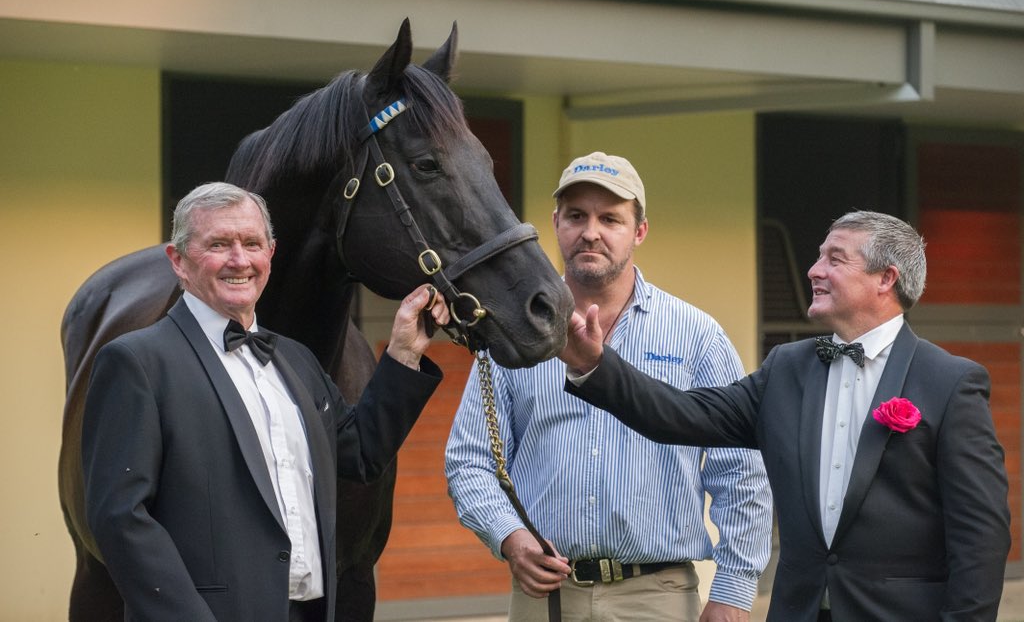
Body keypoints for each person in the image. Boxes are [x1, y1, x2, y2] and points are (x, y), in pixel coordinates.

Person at [560, 209, 1012, 621]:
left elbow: (980, 537)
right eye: (819, 258)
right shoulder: (786, 368)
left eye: (835, 259)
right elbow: (680, 414)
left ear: (885, 279)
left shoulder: (950, 382)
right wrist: (594, 365)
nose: (814, 270)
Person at [81, 182, 450, 622]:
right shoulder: (135, 361)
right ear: (178, 261)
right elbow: (121, 518)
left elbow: (358, 454)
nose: (240, 260)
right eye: (218, 244)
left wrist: (404, 353)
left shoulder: (296, 360)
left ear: (270, 255)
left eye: (252, 244)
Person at [445, 152, 773, 622]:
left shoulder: (696, 336)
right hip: (546, 597)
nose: (591, 232)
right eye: (576, 216)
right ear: (556, 224)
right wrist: (509, 537)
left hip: (656, 593)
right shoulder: (516, 334)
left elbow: (741, 472)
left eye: (610, 218)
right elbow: (469, 459)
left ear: (639, 231)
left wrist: (734, 590)